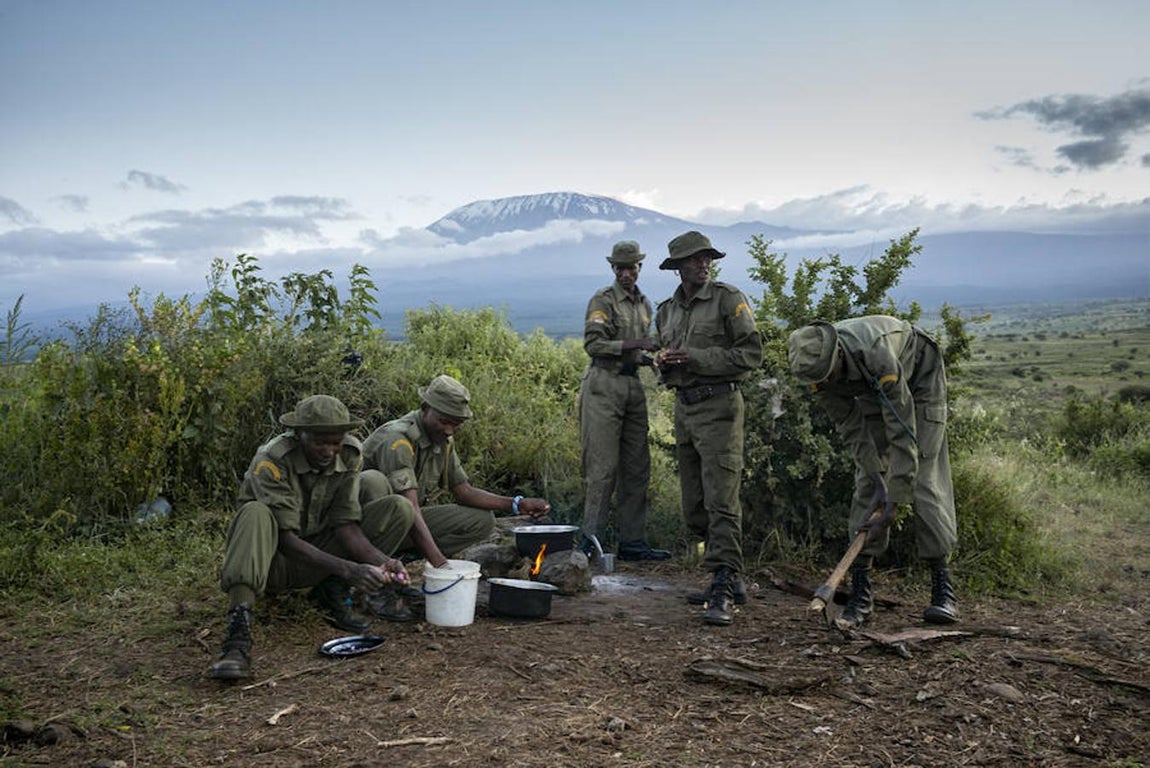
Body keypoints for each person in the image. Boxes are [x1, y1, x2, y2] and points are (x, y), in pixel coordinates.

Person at [210, 395, 412, 681]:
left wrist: (384, 562)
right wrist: (349, 568)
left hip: (318, 560)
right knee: (254, 512)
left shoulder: (350, 454)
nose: (329, 451)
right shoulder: (273, 460)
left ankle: (331, 592)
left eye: (336, 442)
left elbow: (346, 527)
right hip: (274, 564)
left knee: (397, 509)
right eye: (320, 442)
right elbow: (285, 539)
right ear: (299, 435)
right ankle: (237, 637)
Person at [787, 315, 959, 628]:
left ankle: (942, 587)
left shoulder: (876, 353)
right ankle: (861, 595)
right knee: (867, 482)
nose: (825, 384)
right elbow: (852, 428)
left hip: (919, 380)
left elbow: (902, 426)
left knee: (921, 478)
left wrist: (894, 499)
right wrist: (877, 479)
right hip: (871, 388)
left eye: (828, 376)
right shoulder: (815, 373)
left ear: (837, 355)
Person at [654, 231, 763, 626]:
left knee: (721, 499)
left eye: (707, 259)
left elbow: (751, 354)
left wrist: (696, 357)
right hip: (685, 409)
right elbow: (661, 355)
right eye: (695, 260)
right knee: (694, 504)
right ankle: (727, 575)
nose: (704, 264)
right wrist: (663, 362)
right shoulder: (666, 310)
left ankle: (721, 583)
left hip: (719, 406)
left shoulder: (728, 299)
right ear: (678, 267)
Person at [359, 374, 552, 574]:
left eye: (457, 423)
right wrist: (441, 564)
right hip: (365, 530)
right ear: (425, 409)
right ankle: (375, 566)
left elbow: (463, 491)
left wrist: (517, 504)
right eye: (444, 421)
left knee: (482, 520)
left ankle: (405, 558)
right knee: (377, 483)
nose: (450, 430)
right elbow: (410, 505)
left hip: (404, 521)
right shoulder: (397, 440)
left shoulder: (443, 440)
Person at [578, 240, 670, 563]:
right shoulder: (602, 300)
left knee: (637, 467)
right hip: (604, 384)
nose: (626, 273)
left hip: (632, 385)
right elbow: (594, 344)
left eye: (631, 267)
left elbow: (638, 350)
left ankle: (633, 541)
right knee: (602, 469)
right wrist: (638, 343)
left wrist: (652, 359)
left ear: (639, 268)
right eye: (621, 267)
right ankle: (591, 542)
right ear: (613, 269)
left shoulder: (645, 304)